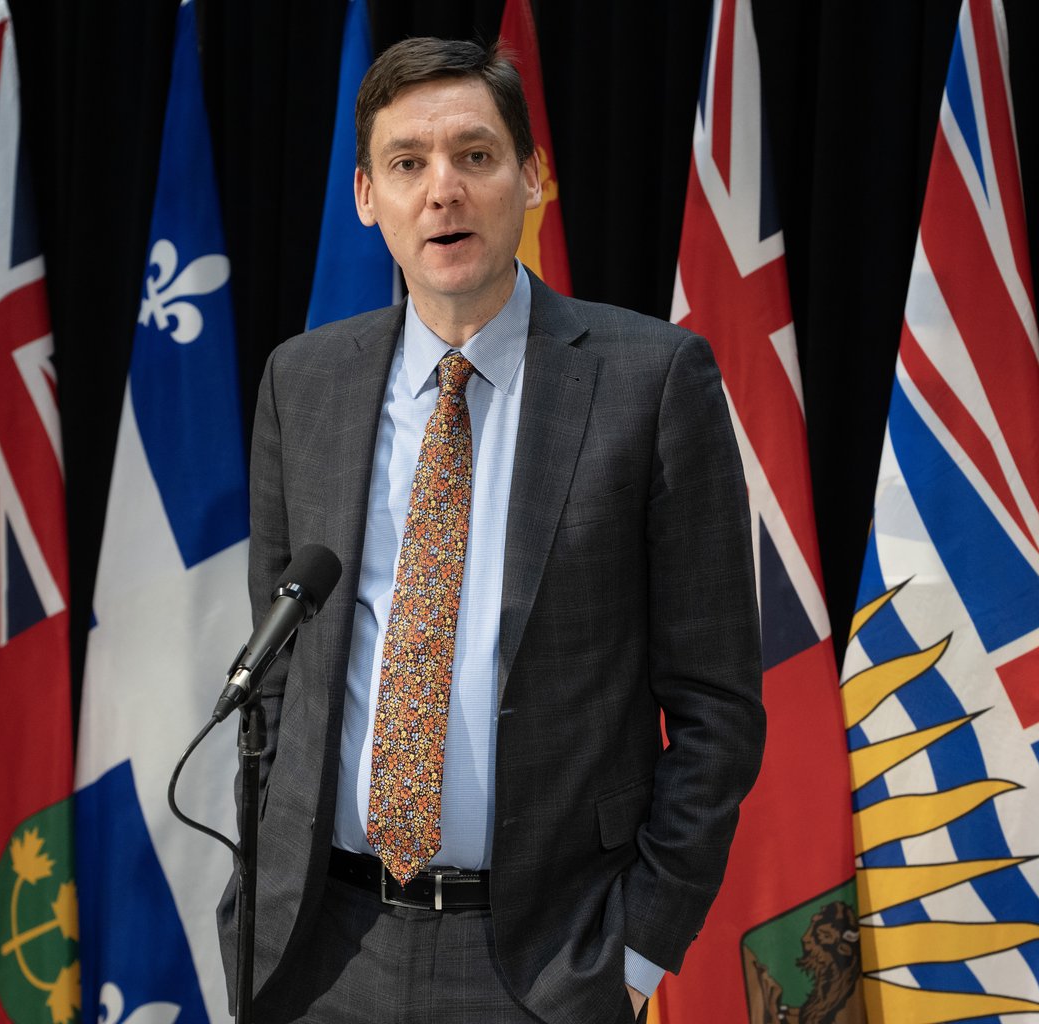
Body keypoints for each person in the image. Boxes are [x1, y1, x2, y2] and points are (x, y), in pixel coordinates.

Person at [218, 36, 764, 1024]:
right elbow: (282, 678)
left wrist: (637, 948)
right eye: (407, 163)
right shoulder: (303, 382)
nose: (443, 190)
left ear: (532, 177)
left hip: (545, 962)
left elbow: (717, 705)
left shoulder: (650, 381)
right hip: (316, 951)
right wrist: (254, 911)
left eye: (474, 155)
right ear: (366, 197)